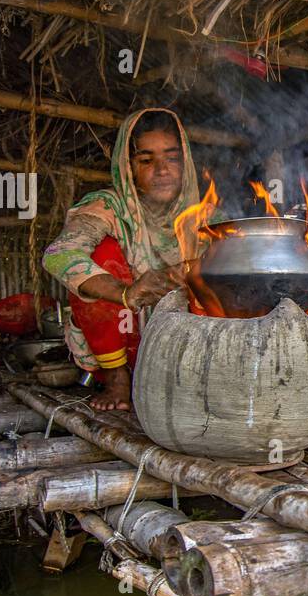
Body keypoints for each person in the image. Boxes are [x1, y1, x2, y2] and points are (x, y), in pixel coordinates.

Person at [42, 108, 199, 410]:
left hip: (185, 351)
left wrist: (195, 272)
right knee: (103, 255)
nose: (162, 169)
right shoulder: (110, 206)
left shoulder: (204, 214)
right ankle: (117, 380)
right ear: (128, 167)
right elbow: (59, 253)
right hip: (126, 347)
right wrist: (125, 293)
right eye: (146, 160)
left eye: (172, 157)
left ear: (186, 163)